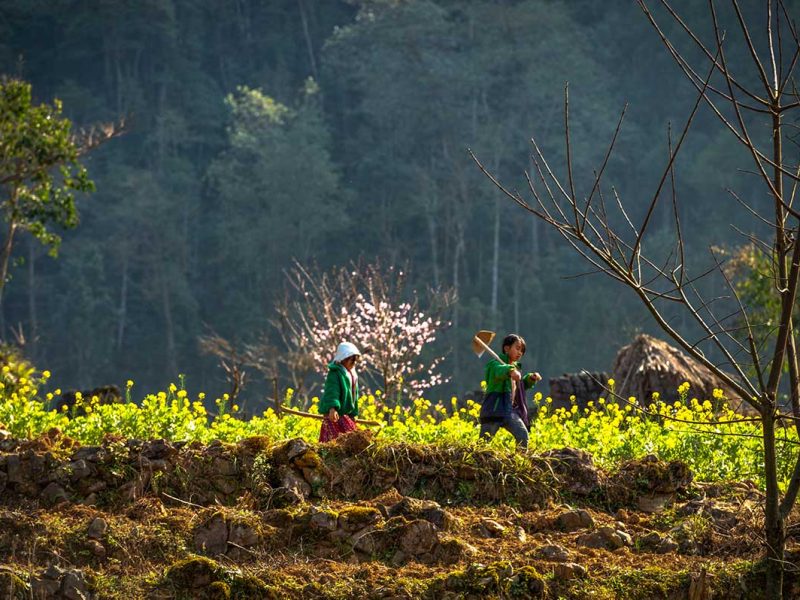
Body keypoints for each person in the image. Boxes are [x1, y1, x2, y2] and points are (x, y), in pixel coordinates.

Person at [479, 333, 541, 449]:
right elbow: (499, 371)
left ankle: (520, 460)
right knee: (483, 443)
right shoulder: (495, 365)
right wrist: (510, 371)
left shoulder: (515, 368)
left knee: (522, 435)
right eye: (517, 348)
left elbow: (520, 386)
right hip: (494, 410)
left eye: (522, 350)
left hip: (509, 411)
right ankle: (476, 462)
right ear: (507, 348)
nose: (520, 353)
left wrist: (530, 379)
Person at [318, 341, 362, 442]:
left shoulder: (352, 374)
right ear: (343, 359)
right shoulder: (335, 373)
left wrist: (353, 414)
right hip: (335, 415)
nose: (354, 363)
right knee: (333, 440)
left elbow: (354, 396)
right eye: (352, 360)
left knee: (351, 439)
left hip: (345, 415)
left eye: (355, 361)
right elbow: (332, 391)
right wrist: (332, 408)